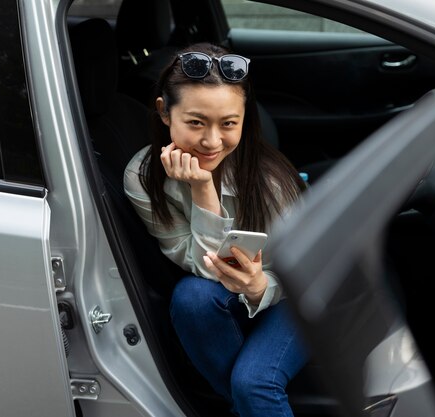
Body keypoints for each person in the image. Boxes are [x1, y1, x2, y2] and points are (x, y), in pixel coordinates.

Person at [123, 42, 308, 417]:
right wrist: (203, 190)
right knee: (190, 296)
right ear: (164, 112)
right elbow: (204, 267)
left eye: (228, 124)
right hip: (228, 298)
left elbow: (313, 269)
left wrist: (261, 287)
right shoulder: (142, 176)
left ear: (244, 119)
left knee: (253, 383)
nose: (211, 141)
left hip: (301, 294)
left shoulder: (270, 182)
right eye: (195, 122)